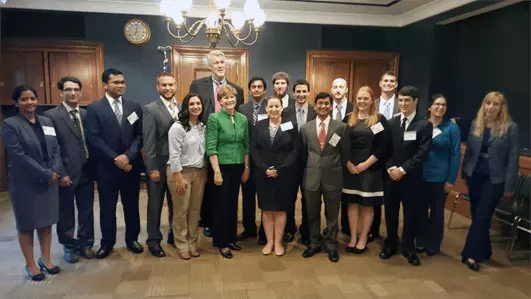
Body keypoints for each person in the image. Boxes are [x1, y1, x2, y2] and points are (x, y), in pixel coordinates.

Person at [2, 85, 62, 280]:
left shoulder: (46, 121)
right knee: (27, 224)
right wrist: (45, 173)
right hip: (26, 182)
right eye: (24, 99)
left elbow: (55, 148)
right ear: (16, 103)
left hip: (49, 180)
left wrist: (54, 170)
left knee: (46, 222)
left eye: (32, 99)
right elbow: (18, 155)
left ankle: (46, 259)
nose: (29, 103)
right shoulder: (10, 124)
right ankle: (30, 264)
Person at [85, 68, 144, 259]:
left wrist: (128, 156)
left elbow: (139, 135)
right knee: (107, 208)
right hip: (106, 169)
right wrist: (116, 159)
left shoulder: (134, 107)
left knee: (132, 206)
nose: (121, 86)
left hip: (130, 167)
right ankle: (107, 243)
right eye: (116, 82)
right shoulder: (94, 108)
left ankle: (132, 239)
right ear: (105, 85)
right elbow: (94, 139)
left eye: (122, 82)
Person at [461, 92, 519, 271]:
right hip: (475, 176)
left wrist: (509, 186)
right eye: (488, 103)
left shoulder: (510, 128)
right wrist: (465, 172)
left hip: (495, 179)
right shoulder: (475, 124)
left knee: (482, 215)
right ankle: (485, 250)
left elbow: (513, 159)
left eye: (496, 104)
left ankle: (470, 254)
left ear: (502, 107)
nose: (491, 107)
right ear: (483, 105)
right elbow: (470, 151)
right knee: (478, 215)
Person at [190, 50, 244, 238]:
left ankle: (223, 227)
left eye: (222, 62)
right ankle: (208, 221)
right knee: (210, 186)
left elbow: (237, 118)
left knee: (226, 193)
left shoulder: (237, 89)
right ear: (210, 66)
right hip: (205, 141)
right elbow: (194, 108)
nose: (220, 65)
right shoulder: (198, 84)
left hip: (231, 148)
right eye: (216, 62)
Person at [44, 76, 95, 263]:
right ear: (61, 93)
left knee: (87, 210)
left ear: (80, 93)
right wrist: (61, 173)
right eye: (68, 90)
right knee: (66, 213)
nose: (72, 93)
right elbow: (51, 148)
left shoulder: (87, 114)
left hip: (87, 171)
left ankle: (86, 243)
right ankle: (69, 246)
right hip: (66, 174)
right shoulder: (51, 116)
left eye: (76, 89)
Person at [379, 86, 432, 266]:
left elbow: (422, 152)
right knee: (391, 212)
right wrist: (391, 168)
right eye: (400, 100)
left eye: (407, 100)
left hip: (411, 178)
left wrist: (402, 170)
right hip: (391, 177)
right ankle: (391, 243)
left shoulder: (424, 124)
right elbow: (385, 150)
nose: (403, 104)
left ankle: (408, 246)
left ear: (415, 101)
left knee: (411, 213)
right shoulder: (392, 123)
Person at [300, 92, 348, 263]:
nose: (323, 106)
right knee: (312, 212)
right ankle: (314, 243)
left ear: (331, 105)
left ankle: (331, 244)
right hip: (311, 176)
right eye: (320, 103)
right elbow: (303, 154)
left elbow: (344, 153)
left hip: (333, 177)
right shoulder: (305, 128)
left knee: (332, 213)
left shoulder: (340, 127)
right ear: (315, 105)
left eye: (326, 103)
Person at [342, 86, 391, 254]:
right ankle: (353, 237)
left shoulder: (379, 119)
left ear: (372, 100)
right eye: (359, 98)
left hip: (370, 169)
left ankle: (363, 238)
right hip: (350, 169)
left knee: (367, 205)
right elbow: (339, 142)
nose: (362, 101)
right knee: (353, 204)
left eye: (365, 98)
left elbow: (384, 147)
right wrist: (347, 163)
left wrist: (365, 165)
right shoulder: (348, 119)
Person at [251, 96, 300, 256]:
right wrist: (264, 168)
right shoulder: (259, 126)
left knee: (280, 209)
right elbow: (254, 149)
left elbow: (294, 151)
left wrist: (280, 169)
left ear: (282, 107)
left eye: (276, 106)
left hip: (283, 175)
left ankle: (278, 242)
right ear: (266, 108)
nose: (273, 109)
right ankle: (269, 241)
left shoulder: (290, 125)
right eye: (270, 106)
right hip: (263, 174)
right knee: (266, 209)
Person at [206, 85, 250, 259]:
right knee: (220, 206)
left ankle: (231, 238)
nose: (230, 100)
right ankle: (221, 242)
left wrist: (246, 167)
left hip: (238, 166)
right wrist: (216, 171)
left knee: (233, 204)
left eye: (232, 97)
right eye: (225, 98)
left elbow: (246, 144)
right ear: (220, 101)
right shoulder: (214, 118)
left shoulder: (242, 119)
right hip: (221, 166)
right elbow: (211, 147)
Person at [415, 94, 460, 256]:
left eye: (443, 105)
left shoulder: (451, 128)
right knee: (419, 210)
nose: (440, 107)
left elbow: (455, 155)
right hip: (420, 175)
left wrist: (450, 180)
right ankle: (419, 240)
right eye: (437, 104)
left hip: (440, 178)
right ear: (429, 107)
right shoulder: (421, 124)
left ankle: (433, 243)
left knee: (436, 213)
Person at [143, 72, 182, 257]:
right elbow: (148, 142)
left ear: (176, 86)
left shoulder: (182, 107)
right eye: (164, 85)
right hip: (159, 165)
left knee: (177, 203)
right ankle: (153, 240)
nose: (168, 88)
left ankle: (174, 236)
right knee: (155, 205)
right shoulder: (151, 109)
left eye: (171, 85)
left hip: (177, 166)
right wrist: (152, 168)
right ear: (158, 87)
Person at [167, 93, 207, 260]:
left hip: (199, 173)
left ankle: (192, 243)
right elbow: (174, 155)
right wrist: (178, 177)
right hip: (180, 172)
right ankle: (182, 244)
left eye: (198, 103)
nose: (196, 106)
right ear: (186, 107)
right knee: (181, 211)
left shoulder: (203, 126)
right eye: (192, 104)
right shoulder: (178, 127)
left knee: (195, 211)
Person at [236, 77, 268, 243]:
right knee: (247, 196)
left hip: (265, 159)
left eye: (259, 87)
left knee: (265, 198)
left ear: (264, 90)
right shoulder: (242, 108)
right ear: (249, 90)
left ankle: (265, 231)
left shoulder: (271, 105)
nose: (256, 89)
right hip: (247, 158)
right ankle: (249, 229)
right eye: (253, 87)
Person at [372, 71, 400, 242]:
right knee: (374, 195)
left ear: (395, 85)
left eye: (392, 81)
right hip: (375, 155)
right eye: (386, 81)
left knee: (391, 198)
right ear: (380, 84)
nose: (388, 83)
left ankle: (392, 235)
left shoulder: (402, 104)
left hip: (395, 157)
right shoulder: (372, 104)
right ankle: (373, 230)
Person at [292, 79, 316, 246]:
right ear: (294, 93)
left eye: (304, 91)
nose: (301, 94)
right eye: (298, 91)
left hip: (310, 162)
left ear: (308, 93)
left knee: (308, 198)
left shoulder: (315, 112)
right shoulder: (285, 111)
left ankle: (307, 230)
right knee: (289, 197)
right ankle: (289, 228)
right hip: (291, 163)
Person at [330, 78, 354, 237]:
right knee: (330, 196)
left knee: (347, 194)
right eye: (335, 87)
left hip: (347, 158)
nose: (338, 90)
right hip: (329, 157)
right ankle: (331, 227)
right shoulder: (325, 106)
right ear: (332, 90)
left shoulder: (354, 108)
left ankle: (346, 227)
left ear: (346, 90)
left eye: (341, 87)